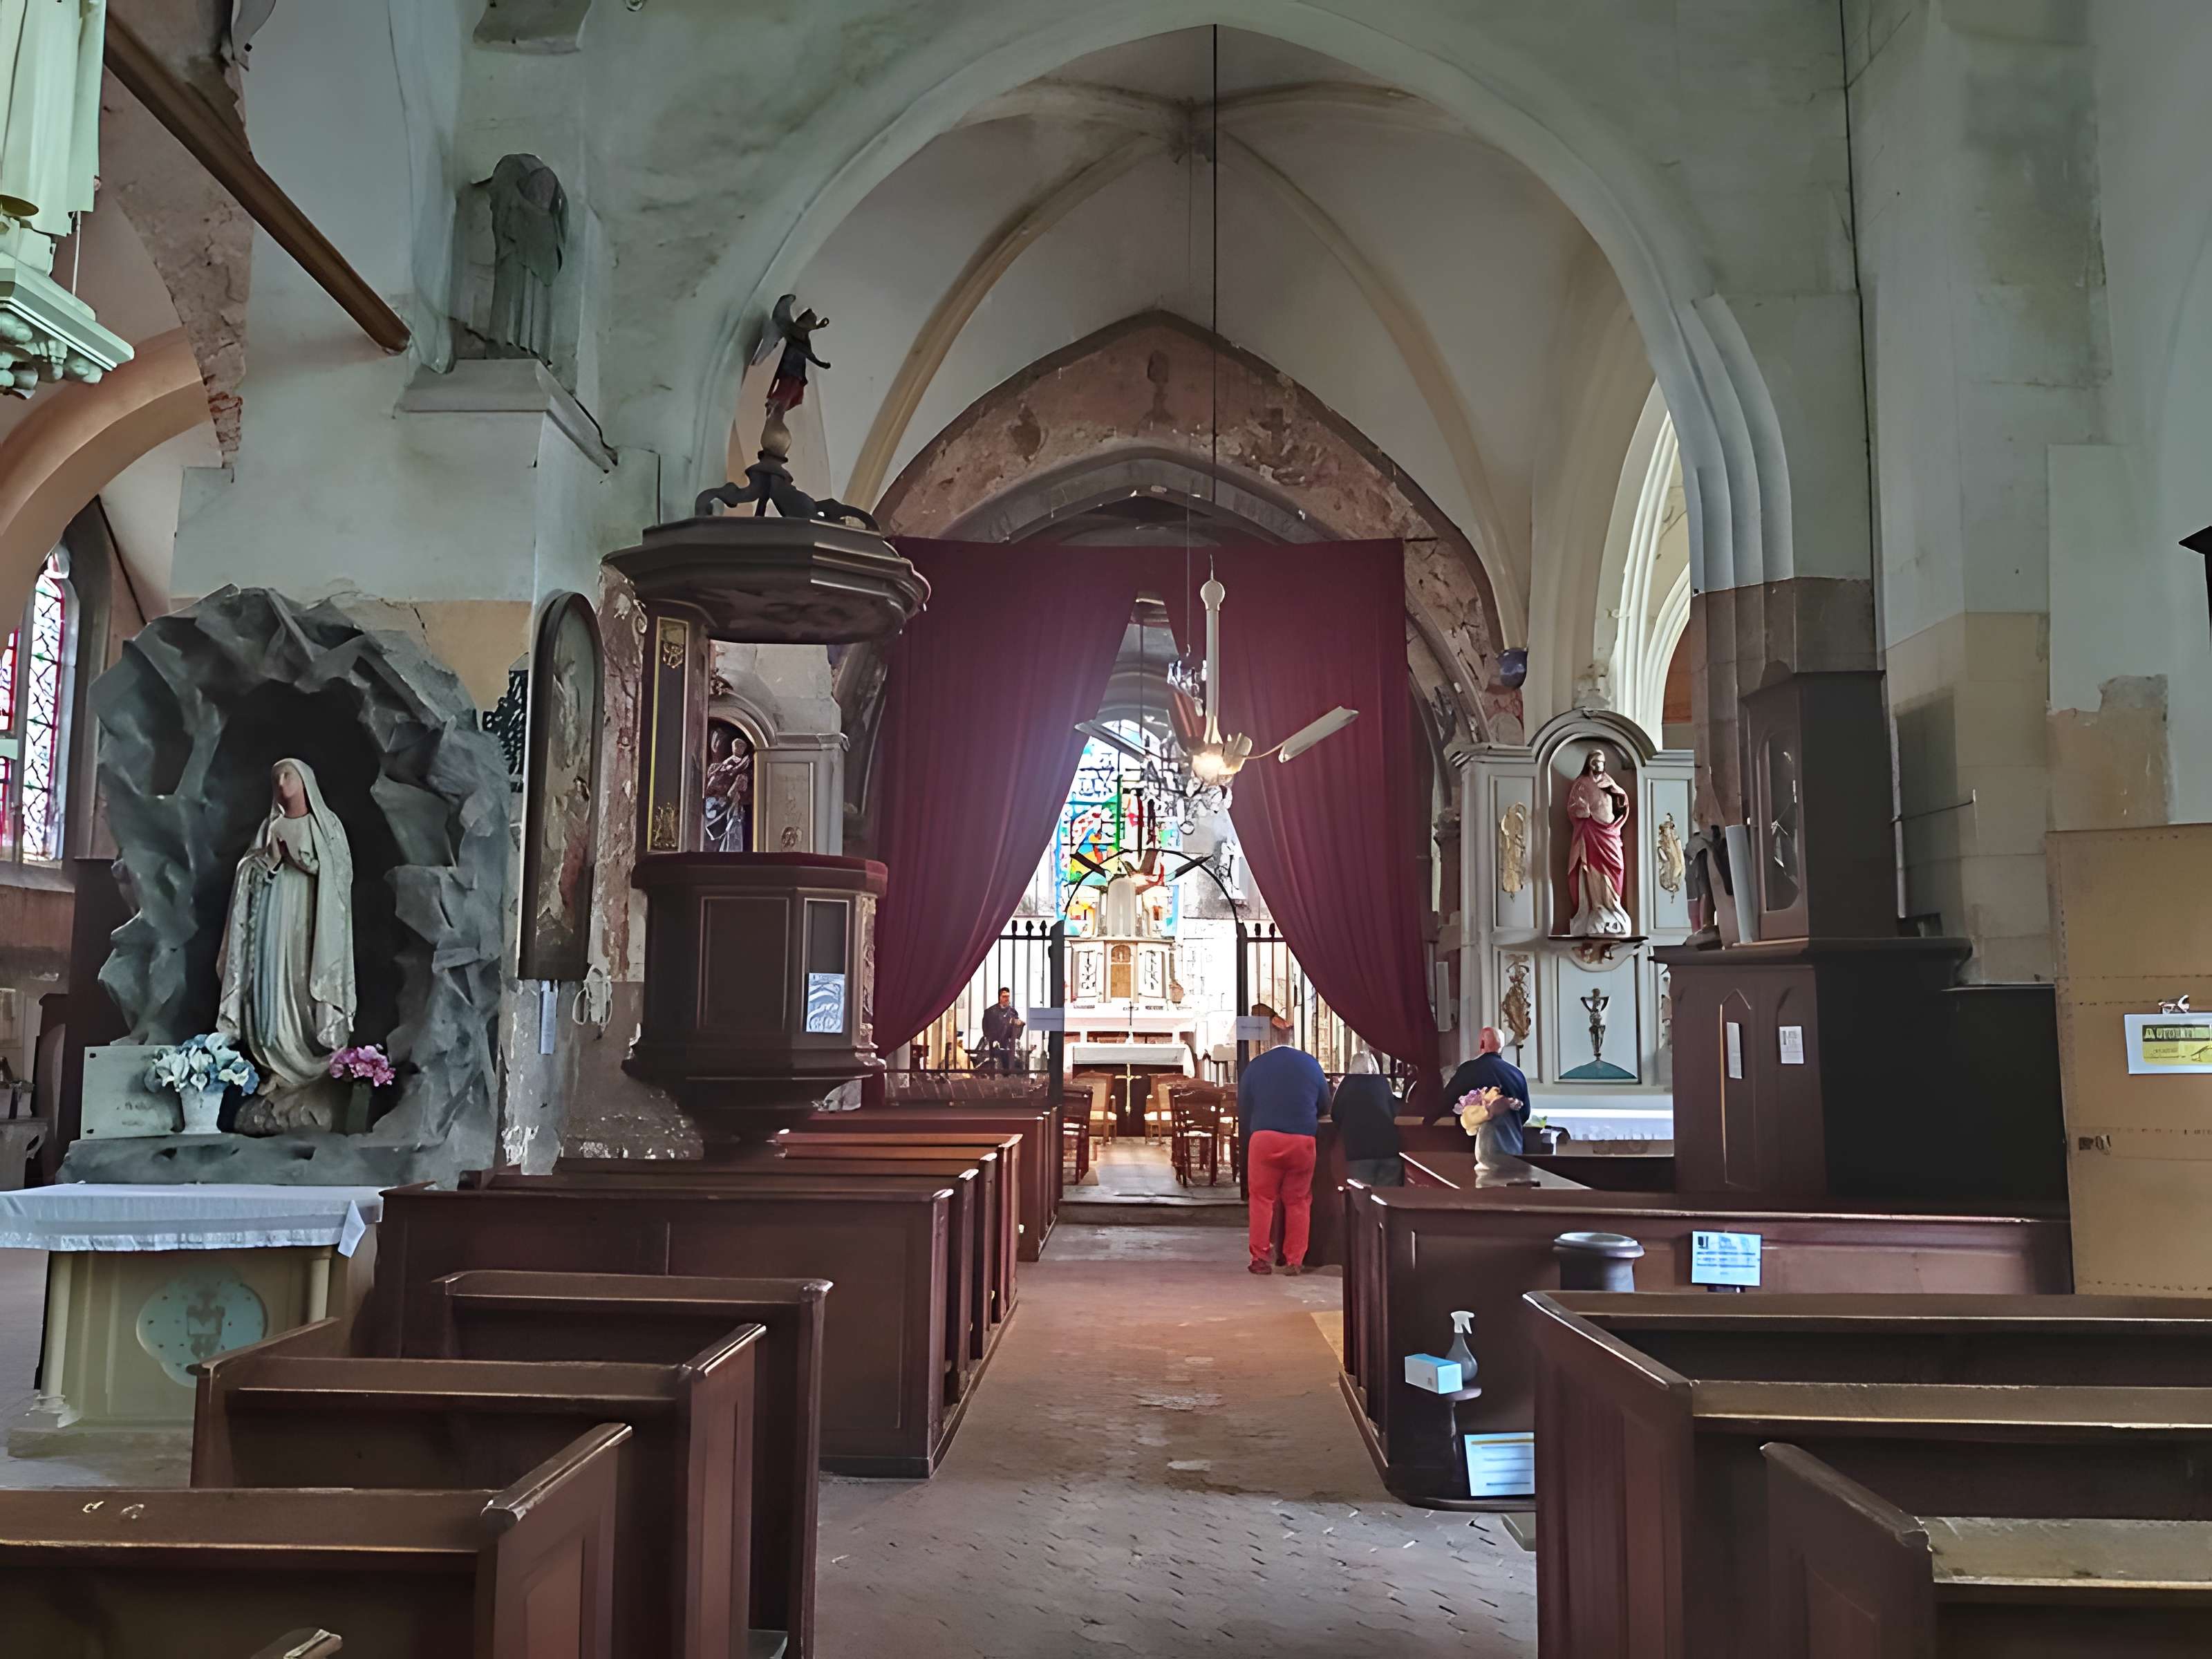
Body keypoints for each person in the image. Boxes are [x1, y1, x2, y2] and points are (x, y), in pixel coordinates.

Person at [1237, 1003, 1329, 1274]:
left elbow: (1244, 1107)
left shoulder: (1256, 1066)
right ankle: (1294, 1260)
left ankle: (1260, 1259)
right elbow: (1325, 1104)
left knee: (1262, 1199)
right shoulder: (1311, 1064)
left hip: (1265, 1138)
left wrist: (1252, 1133)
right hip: (1302, 1140)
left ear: (1269, 1042)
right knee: (1298, 1200)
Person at [1439, 1027, 1532, 1157]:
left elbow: (1445, 1103)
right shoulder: (1518, 1075)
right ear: (1501, 1047)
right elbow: (1525, 1114)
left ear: (1482, 1044)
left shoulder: (1467, 1070)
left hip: (1475, 1152)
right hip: (1513, 1149)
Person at [1333, 1050, 1403, 1187]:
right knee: (1388, 1197)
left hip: (1359, 1153)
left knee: (1362, 1196)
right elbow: (1394, 1111)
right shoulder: (1382, 1082)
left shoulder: (1348, 1083)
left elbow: (1336, 1114)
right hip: (1390, 1151)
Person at [979, 987, 1025, 1075]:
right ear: (999, 997)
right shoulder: (991, 1011)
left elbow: (1016, 1026)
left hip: (1008, 1041)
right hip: (993, 1040)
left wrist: (1018, 1023)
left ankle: (1008, 1073)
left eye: (1008, 996)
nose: (1007, 999)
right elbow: (987, 1027)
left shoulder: (1012, 1011)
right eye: (1004, 996)